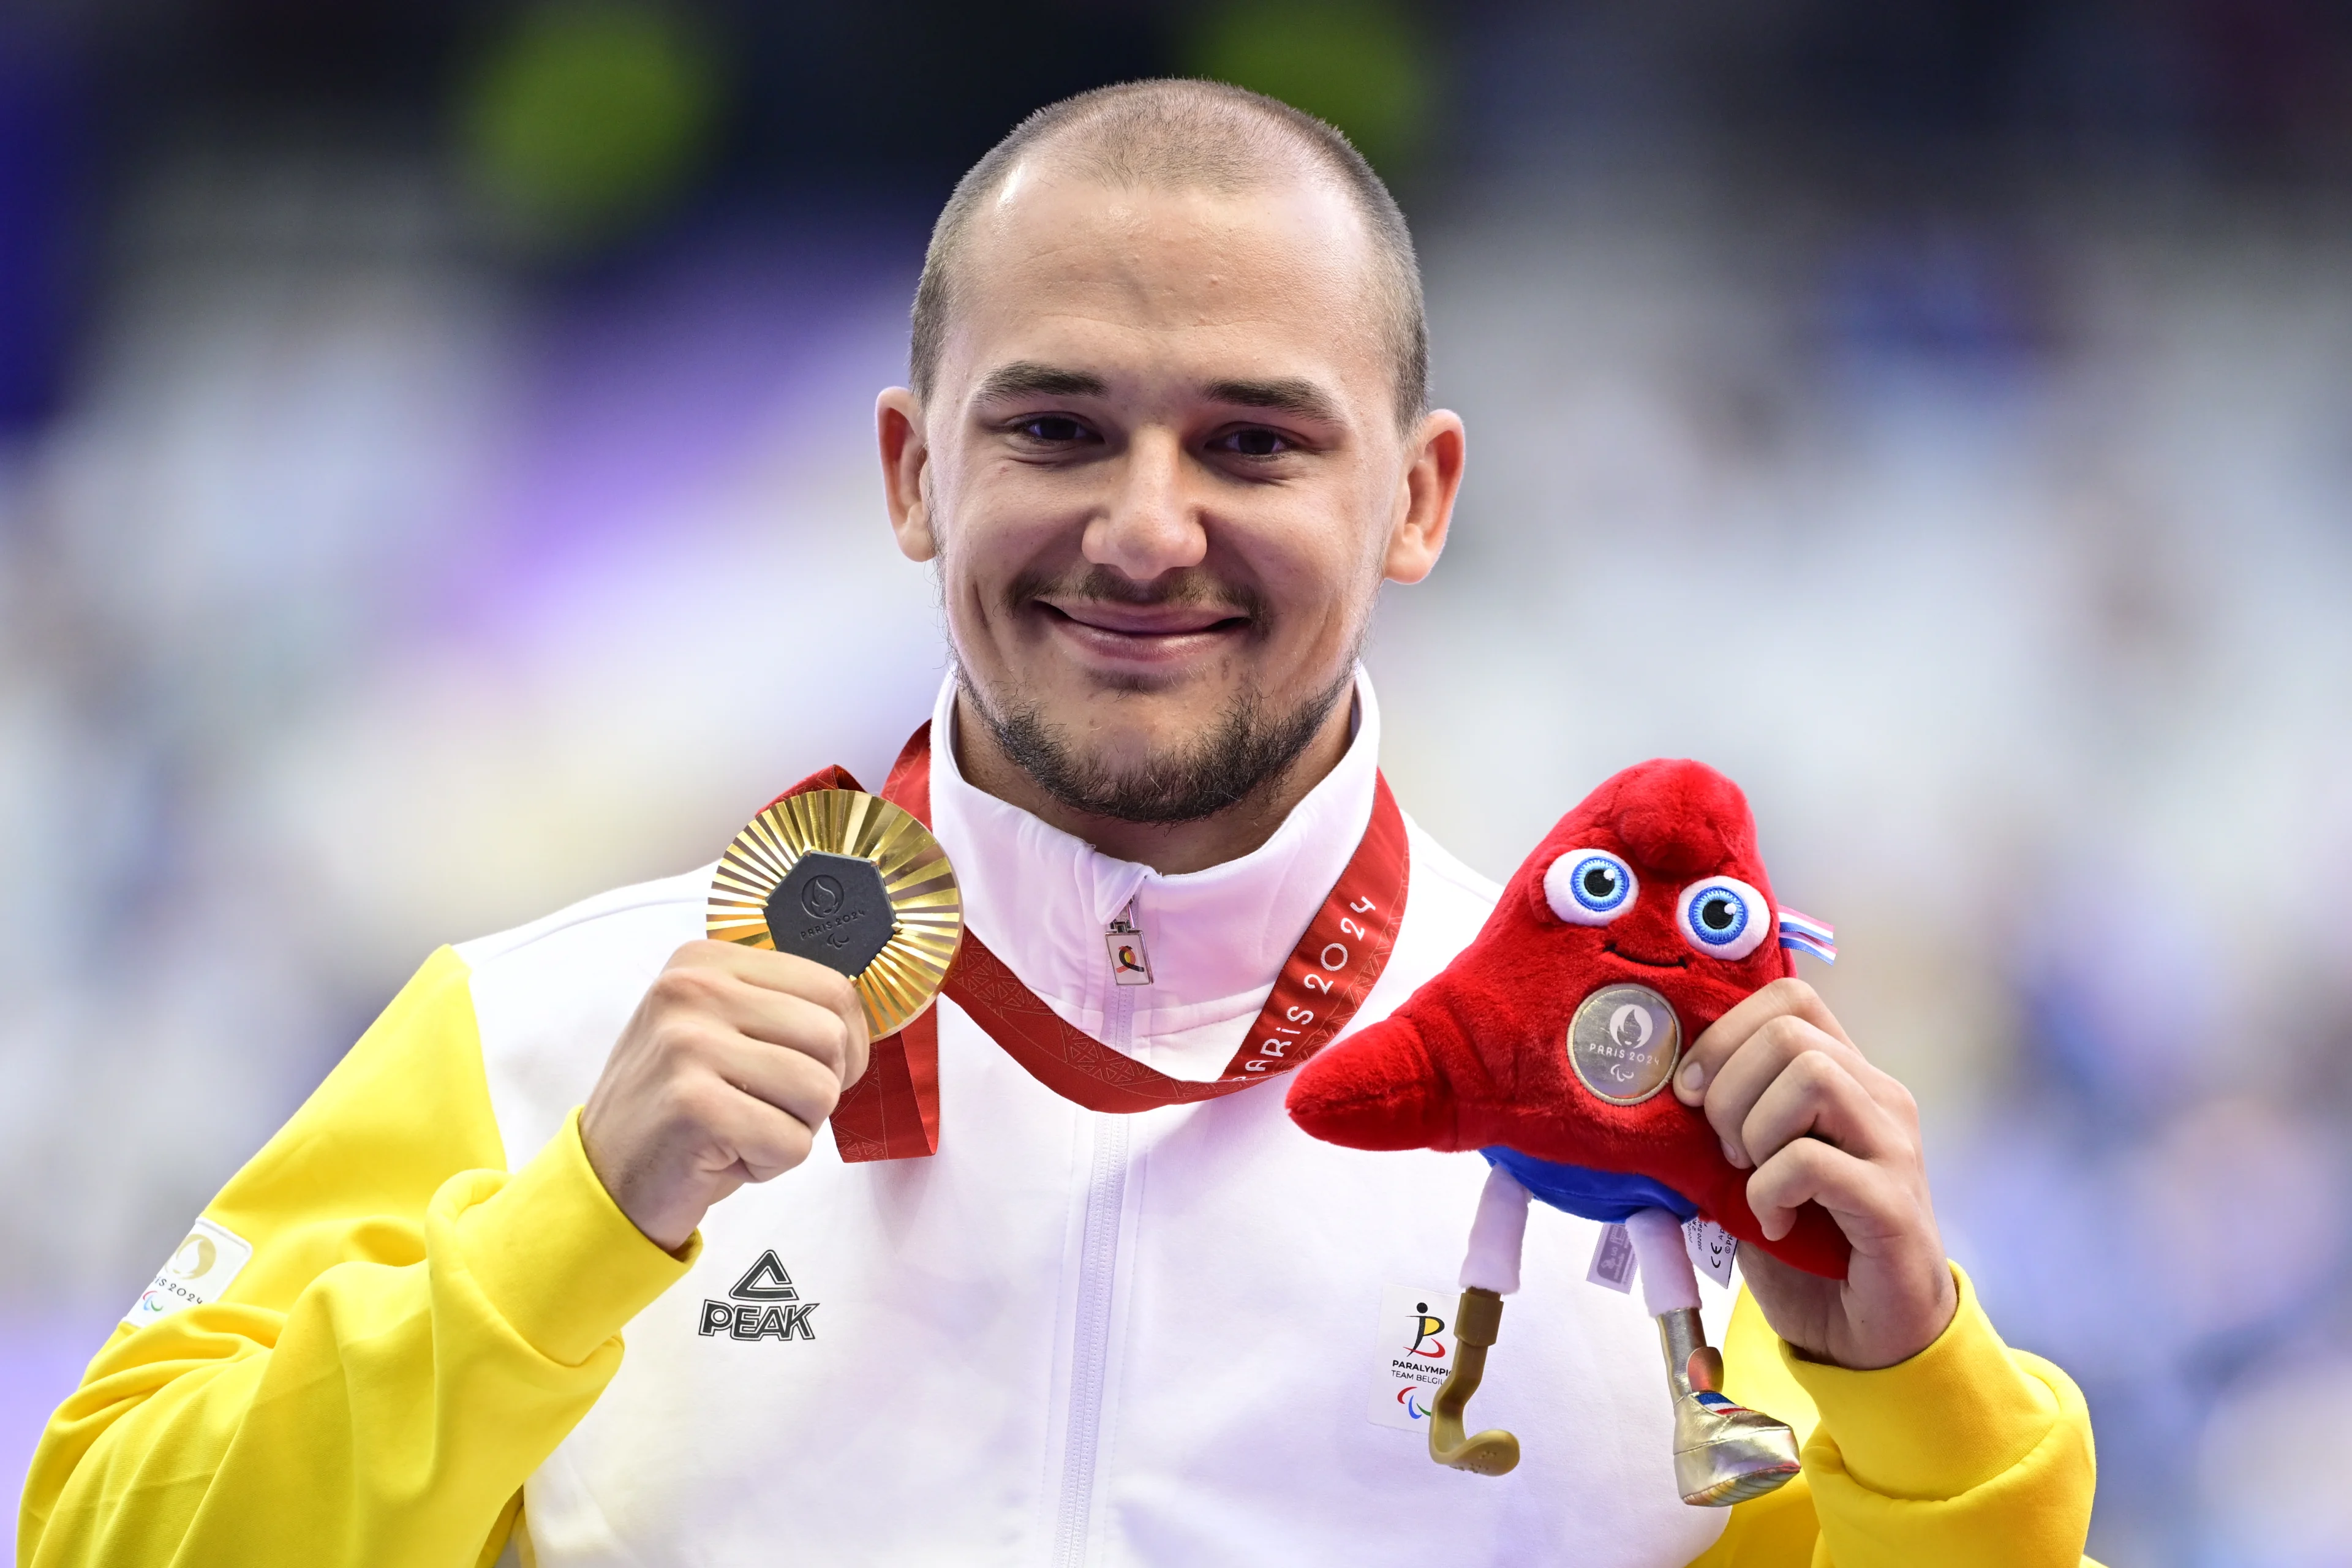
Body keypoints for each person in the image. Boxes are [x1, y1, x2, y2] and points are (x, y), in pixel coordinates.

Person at [20, 81, 2096, 1567]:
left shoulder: (1660, 1160)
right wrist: (567, 1238)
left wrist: (1921, 1403)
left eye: (1257, 440)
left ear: (1421, 499)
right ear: (916, 472)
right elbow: (105, 1539)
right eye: (1057, 425)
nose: (1145, 526)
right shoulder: (536, 1045)